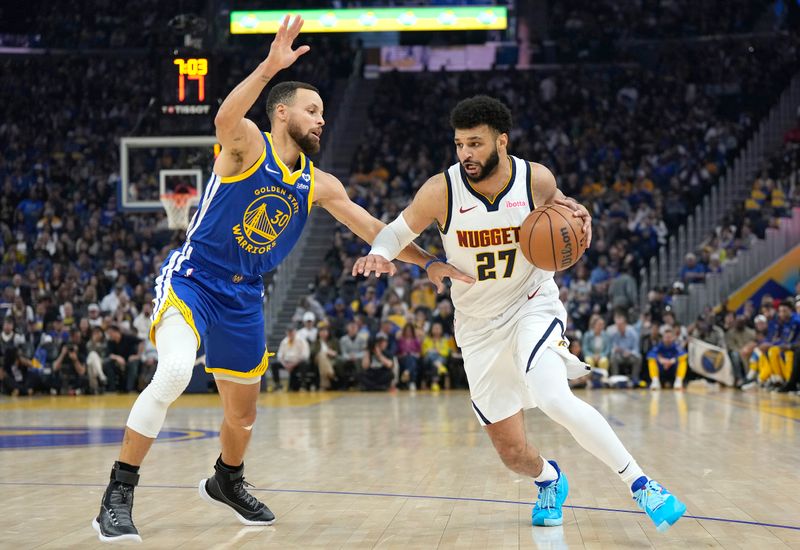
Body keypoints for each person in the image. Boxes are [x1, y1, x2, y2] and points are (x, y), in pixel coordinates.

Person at [92, 16, 470, 543]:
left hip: (245, 297)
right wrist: (270, 66)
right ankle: (119, 491)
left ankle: (227, 479)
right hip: (195, 281)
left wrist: (429, 262)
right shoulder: (247, 145)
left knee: (242, 419)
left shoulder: (319, 183)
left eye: (323, 114)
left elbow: (374, 229)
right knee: (176, 370)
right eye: (313, 111)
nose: (321, 121)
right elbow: (225, 116)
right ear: (281, 112)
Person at [352, 95, 685, 531]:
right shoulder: (441, 190)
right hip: (476, 326)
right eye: (459, 145)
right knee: (512, 454)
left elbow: (569, 217)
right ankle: (550, 479)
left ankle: (642, 485)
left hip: (532, 303)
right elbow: (395, 231)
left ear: (501, 141)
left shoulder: (535, 179)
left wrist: (581, 217)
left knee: (552, 396)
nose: (466, 154)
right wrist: (380, 252)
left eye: (475, 143)